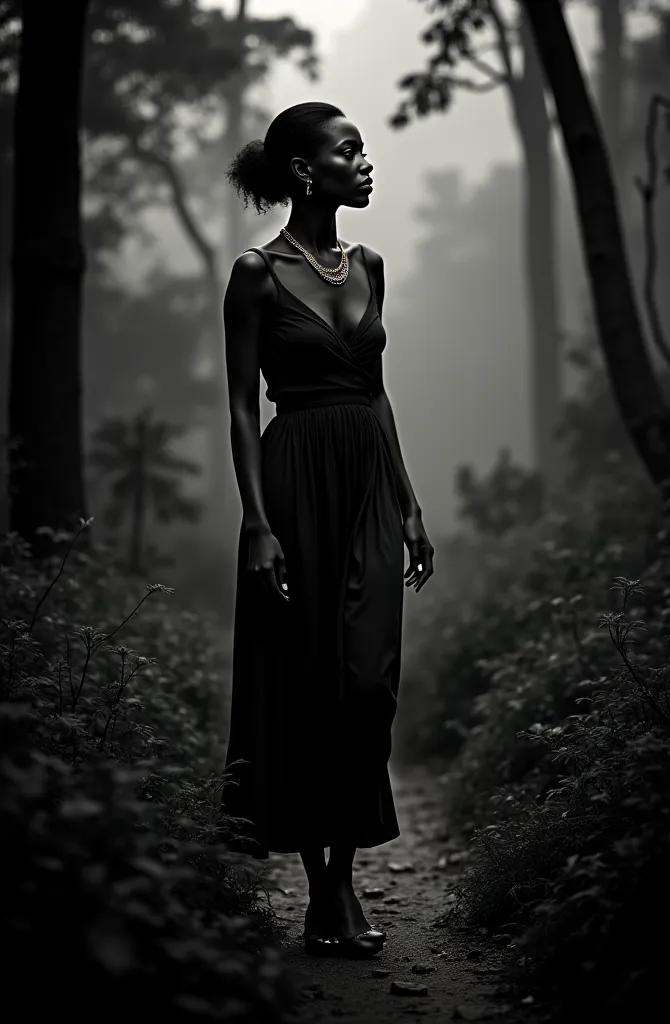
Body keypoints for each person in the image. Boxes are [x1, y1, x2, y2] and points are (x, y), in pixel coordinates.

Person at [220, 102, 434, 959]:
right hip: (294, 483)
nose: (366, 160)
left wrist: (410, 503)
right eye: (350, 150)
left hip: (369, 487)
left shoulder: (370, 265)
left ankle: (341, 864)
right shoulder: (256, 274)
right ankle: (329, 886)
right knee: (308, 683)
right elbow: (240, 404)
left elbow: (376, 393)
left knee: (367, 684)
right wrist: (256, 521)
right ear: (307, 172)